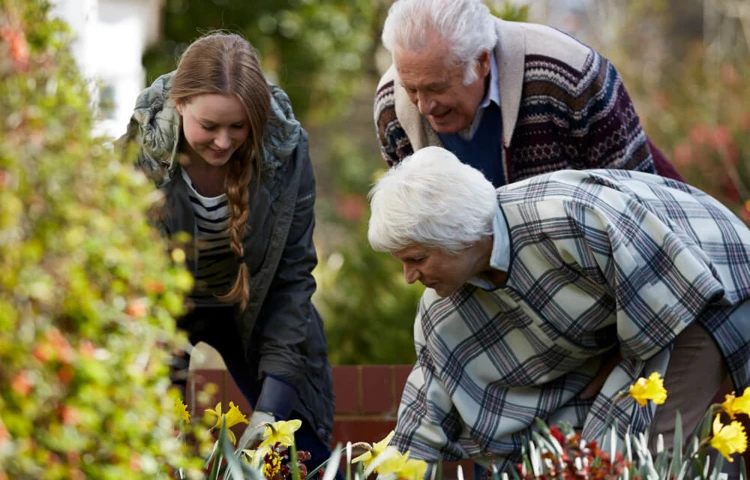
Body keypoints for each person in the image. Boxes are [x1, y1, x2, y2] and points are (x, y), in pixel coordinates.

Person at [367, 146, 750, 473]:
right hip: (641, 321)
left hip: (704, 281)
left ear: (460, 234)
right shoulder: (442, 308)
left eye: (417, 258)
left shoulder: (566, 217)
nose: (408, 277)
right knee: (593, 461)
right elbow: (428, 400)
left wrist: (618, 363)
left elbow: (670, 288)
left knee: (643, 458)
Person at [119, 32, 340, 475]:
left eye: (238, 127)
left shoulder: (286, 152)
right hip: (164, 311)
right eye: (210, 126)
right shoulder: (138, 155)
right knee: (151, 451)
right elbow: (124, 281)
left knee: (301, 452)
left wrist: (271, 411)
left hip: (253, 304)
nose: (223, 142)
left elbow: (292, 280)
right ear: (180, 105)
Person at [373, 0, 684, 186]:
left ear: (481, 61)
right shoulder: (391, 106)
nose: (424, 105)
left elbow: (641, 197)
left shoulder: (568, 75)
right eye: (411, 88)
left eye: (437, 88)